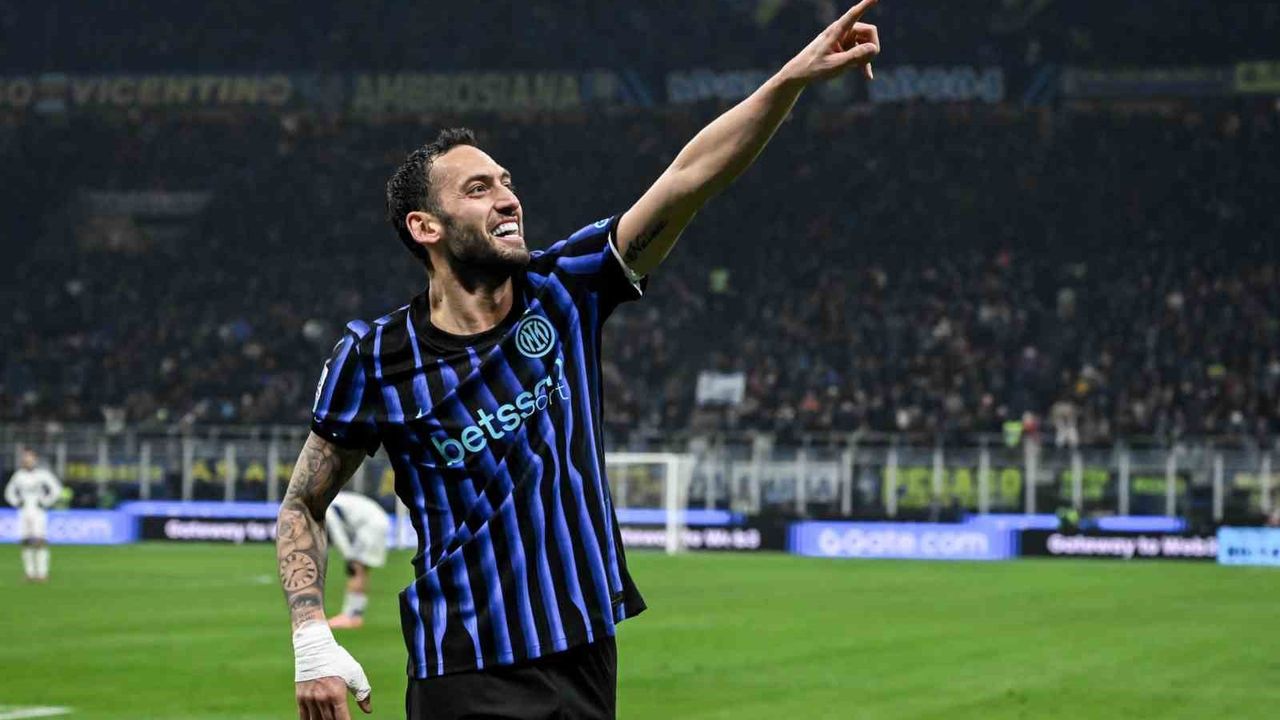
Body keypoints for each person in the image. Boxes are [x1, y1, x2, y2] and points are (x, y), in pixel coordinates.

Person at [274, 3, 881, 718]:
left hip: (586, 651)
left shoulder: (565, 289)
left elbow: (689, 177)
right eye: (479, 189)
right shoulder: (377, 357)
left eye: (506, 182)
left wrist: (790, 80)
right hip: (466, 666)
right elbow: (303, 502)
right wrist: (311, 637)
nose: (508, 199)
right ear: (425, 226)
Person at [324, 491, 392, 629]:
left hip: (371, 526)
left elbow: (338, 534)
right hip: (377, 521)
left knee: (356, 569)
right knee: (361, 570)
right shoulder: (334, 499)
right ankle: (355, 615)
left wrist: (348, 557)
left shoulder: (327, 507)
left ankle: (350, 616)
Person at [5, 448, 64, 582]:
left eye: (30, 457)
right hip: (24, 511)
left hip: (38, 511)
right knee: (26, 541)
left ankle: (42, 573)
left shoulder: (43, 474)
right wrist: (17, 502)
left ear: (35, 459)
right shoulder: (18, 475)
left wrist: (46, 501)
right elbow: (9, 492)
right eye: (25, 457)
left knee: (40, 541)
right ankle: (29, 573)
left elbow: (56, 489)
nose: (27, 460)